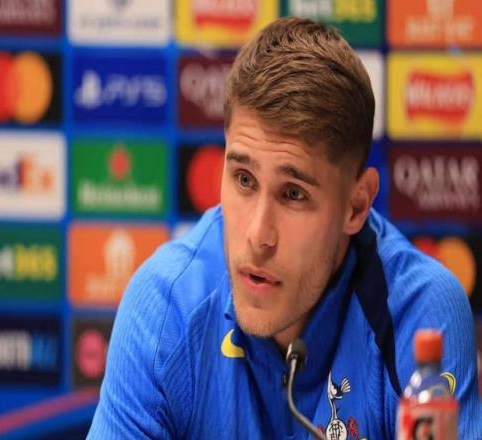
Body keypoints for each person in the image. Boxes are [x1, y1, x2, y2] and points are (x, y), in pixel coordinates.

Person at [88, 17, 481, 439]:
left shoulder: (419, 316)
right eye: (243, 180)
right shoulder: (165, 308)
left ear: (356, 206)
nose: (258, 235)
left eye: (293, 194)